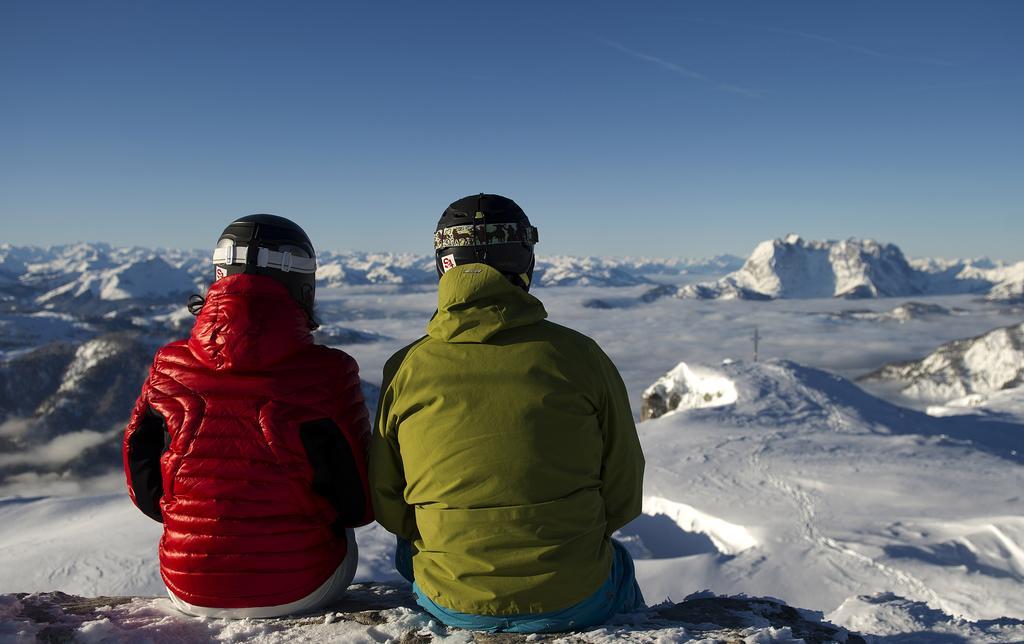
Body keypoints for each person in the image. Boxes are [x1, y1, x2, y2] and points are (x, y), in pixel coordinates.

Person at [369, 194, 646, 633]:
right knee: (618, 566)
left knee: (414, 549)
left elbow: (387, 498)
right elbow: (624, 490)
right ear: (525, 262)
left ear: (444, 263)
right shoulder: (581, 356)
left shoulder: (406, 366)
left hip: (452, 597)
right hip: (575, 595)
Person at [123, 214, 373, 618]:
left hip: (187, 586)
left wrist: (187, 516)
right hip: (300, 585)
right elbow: (359, 503)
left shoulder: (168, 363)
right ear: (302, 286)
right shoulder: (328, 372)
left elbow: (141, 466)